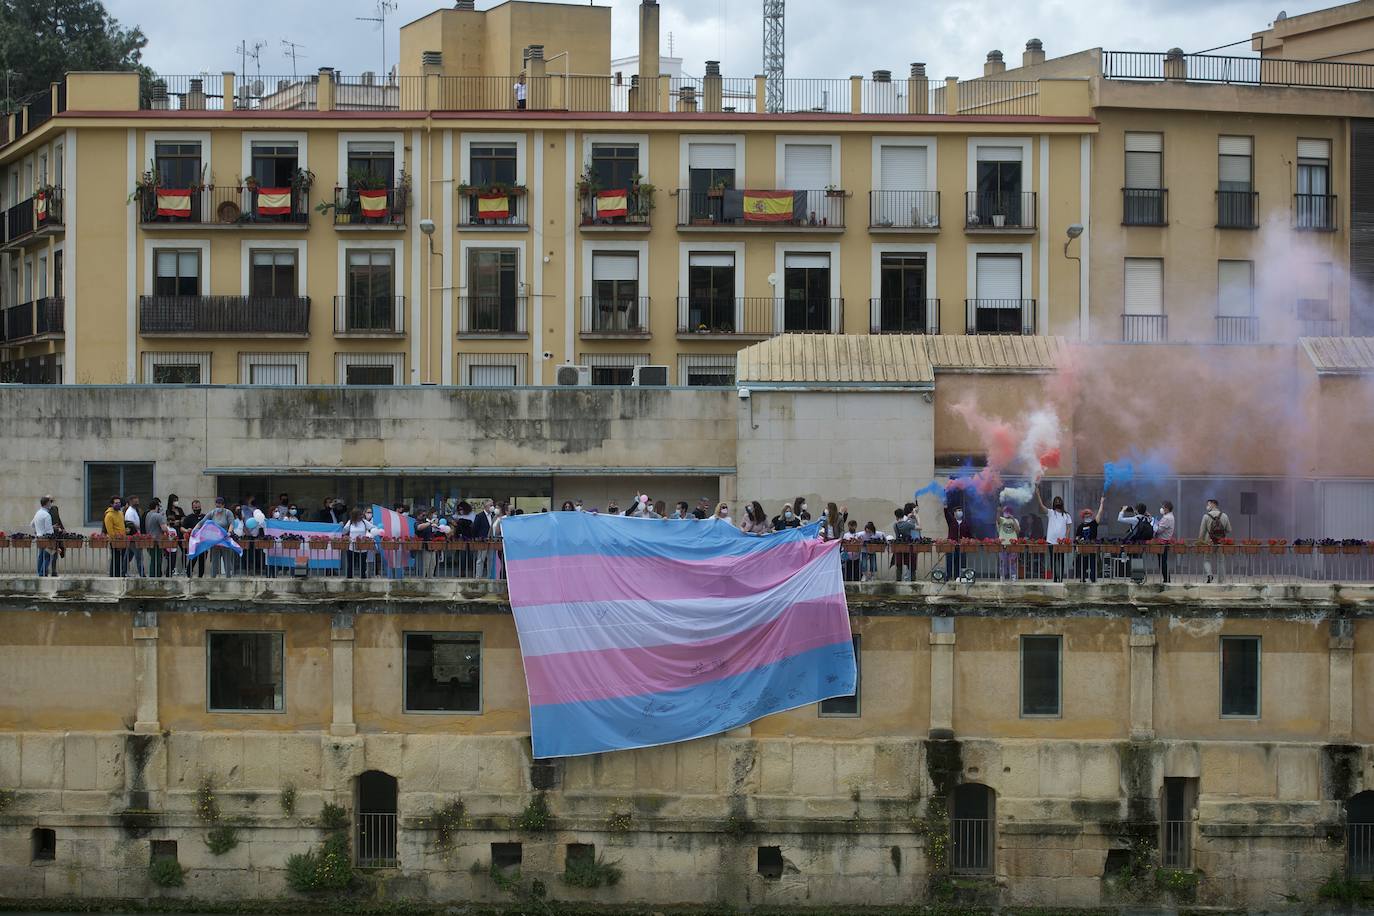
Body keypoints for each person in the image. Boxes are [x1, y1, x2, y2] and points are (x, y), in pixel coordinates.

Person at [1036, 492, 1073, 583]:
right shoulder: (1051, 512)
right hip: (1051, 541)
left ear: (1062, 503)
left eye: (1059, 501)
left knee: (1061, 559)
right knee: (1053, 559)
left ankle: (1060, 577)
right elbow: (1041, 506)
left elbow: (1068, 528)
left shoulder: (1066, 515)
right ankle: (1055, 578)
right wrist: (1038, 494)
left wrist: (1066, 539)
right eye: (1056, 501)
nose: (1057, 502)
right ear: (1053, 503)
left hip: (1061, 542)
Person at [1198, 498, 1233, 583]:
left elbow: (1202, 531)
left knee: (1206, 559)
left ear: (1213, 504)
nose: (1207, 506)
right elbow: (1229, 529)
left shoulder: (1206, 516)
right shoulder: (1224, 515)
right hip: (1220, 541)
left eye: (1208, 504)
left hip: (1208, 542)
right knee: (1221, 561)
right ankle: (1221, 581)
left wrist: (1200, 541)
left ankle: (1209, 575)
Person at [1075, 496, 1106, 583]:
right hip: (1083, 548)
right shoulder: (1080, 526)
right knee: (1083, 564)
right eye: (1086, 514)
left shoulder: (1094, 523)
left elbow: (1099, 513)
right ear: (1083, 516)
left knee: (1093, 563)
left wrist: (1101, 503)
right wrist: (1079, 542)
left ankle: (1093, 579)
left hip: (1093, 547)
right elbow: (1077, 537)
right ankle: (1082, 578)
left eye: (1089, 514)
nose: (1088, 515)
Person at [205, 497, 237, 579]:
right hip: (215, 540)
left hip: (225, 539)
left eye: (220, 505)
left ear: (223, 505)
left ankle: (228, 577)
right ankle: (213, 577)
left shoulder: (228, 513)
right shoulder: (212, 513)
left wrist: (229, 532)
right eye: (217, 505)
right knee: (214, 560)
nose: (218, 507)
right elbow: (203, 521)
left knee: (227, 559)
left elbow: (231, 524)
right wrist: (196, 529)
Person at [943, 500, 974, 580]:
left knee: (960, 562)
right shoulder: (951, 521)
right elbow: (946, 513)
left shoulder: (965, 523)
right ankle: (948, 575)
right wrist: (945, 506)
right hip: (951, 545)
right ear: (954, 513)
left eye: (961, 510)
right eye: (958, 511)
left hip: (962, 546)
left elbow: (969, 534)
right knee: (949, 561)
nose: (960, 512)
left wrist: (970, 540)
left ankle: (958, 576)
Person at [344, 508, 376, 579]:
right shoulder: (350, 522)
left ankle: (362, 577)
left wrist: (370, 535)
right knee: (351, 564)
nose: (361, 516)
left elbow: (373, 528)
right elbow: (344, 531)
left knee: (363, 564)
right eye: (359, 515)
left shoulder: (364, 522)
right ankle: (349, 578)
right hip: (352, 547)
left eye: (361, 515)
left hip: (363, 547)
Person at [182, 499, 208, 578]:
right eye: (195, 507)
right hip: (193, 543)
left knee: (202, 561)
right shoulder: (189, 517)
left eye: (198, 507)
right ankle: (189, 575)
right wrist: (187, 530)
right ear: (192, 508)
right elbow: (182, 528)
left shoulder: (205, 517)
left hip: (203, 543)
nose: (197, 509)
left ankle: (200, 577)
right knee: (193, 559)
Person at [892, 507, 918, 582]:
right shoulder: (908, 524)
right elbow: (919, 527)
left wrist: (907, 518)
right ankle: (913, 582)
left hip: (899, 547)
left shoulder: (895, 525)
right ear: (903, 515)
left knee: (899, 565)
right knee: (911, 565)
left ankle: (898, 581)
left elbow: (901, 524)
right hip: (908, 546)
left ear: (896, 516)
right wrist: (917, 517)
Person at [145, 498, 170, 577]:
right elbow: (164, 528)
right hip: (157, 541)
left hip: (150, 540)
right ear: (156, 506)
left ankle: (153, 576)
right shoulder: (158, 516)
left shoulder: (148, 515)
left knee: (153, 560)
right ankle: (156, 577)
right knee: (157, 560)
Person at [996, 505, 1021, 580]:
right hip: (1003, 544)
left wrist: (1012, 518)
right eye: (1005, 511)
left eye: (1008, 511)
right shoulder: (1001, 519)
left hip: (1013, 544)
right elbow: (997, 519)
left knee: (1013, 561)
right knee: (1003, 561)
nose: (1007, 513)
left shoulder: (1015, 520)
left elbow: (1017, 530)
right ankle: (1002, 576)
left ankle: (1013, 576)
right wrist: (998, 511)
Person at [124, 495, 146, 577]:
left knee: (128, 556)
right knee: (138, 556)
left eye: (138, 501)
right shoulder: (130, 512)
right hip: (134, 537)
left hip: (135, 536)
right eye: (135, 501)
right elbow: (131, 525)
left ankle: (123, 571)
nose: (137, 503)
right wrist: (138, 528)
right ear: (130, 502)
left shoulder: (135, 510)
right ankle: (142, 574)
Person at [32, 496, 54, 576]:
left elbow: (32, 524)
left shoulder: (38, 513)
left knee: (41, 556)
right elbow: (49, 530)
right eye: (50, 502)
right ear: (47, 503)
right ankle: (42, 573)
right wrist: (52, 538)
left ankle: (39, 572)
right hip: (46, 538)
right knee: (47, 556)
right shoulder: (47, 515)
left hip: (39, 537)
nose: (51, 504)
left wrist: (37, 531)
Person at [103, 496, 126, 577]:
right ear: (111, 504)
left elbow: (122, 525)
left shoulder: (120, 513)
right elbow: (110, 531)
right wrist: (115, 540)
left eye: (119, 503)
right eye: (116, 503)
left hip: (123, 540)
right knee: (115, 559)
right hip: (115, 540)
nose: (118, 504)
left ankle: (119, 574)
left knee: (121, 559)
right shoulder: (109, 515)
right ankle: (113, 575)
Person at [1155, 501, 1176, 583]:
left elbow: (1159, 530)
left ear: (1167, 509)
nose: (1162, 509)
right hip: (1164, 541)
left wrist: (1154, 525)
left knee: (1163, 562)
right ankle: (1166, 579)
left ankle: (1167, 579)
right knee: (1162, 561)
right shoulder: (1167, 516)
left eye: (1163, 508)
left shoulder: (1167, 518)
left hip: (1163, 542)